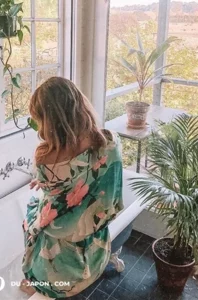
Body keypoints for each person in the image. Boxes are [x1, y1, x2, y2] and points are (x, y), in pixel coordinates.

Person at [20, 77, 123, 298]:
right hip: (95, 234)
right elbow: (87, 175)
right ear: (78, 104)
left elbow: (54, 195)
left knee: (31, 214)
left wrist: (46, 180)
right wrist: (49, 182)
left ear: (49, 120)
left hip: (62, 247)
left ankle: (38, 281)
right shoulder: (110, 141)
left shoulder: (45, 157)